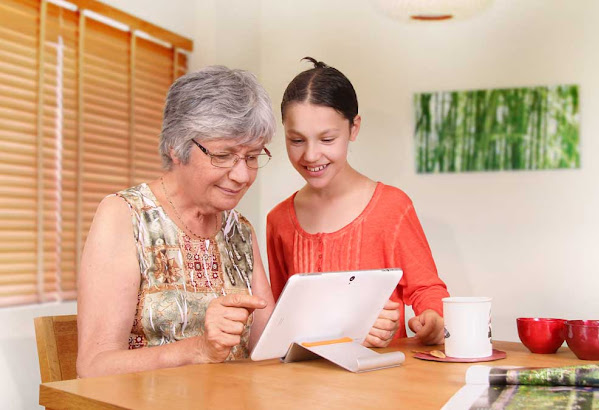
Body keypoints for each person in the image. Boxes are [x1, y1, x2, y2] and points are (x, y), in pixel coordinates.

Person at [77, 66, 276, 377]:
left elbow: (270, 348)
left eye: (251, 157)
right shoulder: (125, 216)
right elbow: (94, 367)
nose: (242, 175)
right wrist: (199, 349)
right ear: (176, 146)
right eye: (223, 156)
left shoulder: (239, 230)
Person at [267, 58, 450, 348]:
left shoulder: (392, 207)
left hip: (382, 384)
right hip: (303, 386)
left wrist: (433, 320)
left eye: (327, 139)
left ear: (354, 129)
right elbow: (279, 318)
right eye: (297, 140)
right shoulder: (278, 221)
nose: (311, 155)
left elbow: (427, 289)